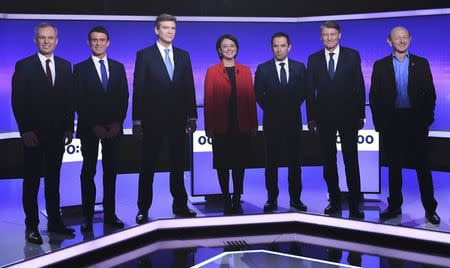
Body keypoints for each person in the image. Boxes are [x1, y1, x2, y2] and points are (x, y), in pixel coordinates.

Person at [11, 22, 75, 244]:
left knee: (53, 180)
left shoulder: (66, 66)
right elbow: (18, 101)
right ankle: (32, 227)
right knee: (31, 182)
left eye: (50, 38)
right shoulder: (24, 66)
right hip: (33, 135)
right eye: (42, 37)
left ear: (56, 41)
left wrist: (69, 127)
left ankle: (55, 222)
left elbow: (69, 100)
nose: (46, 41)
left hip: (58, 134)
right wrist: (25, 130)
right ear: (35, 40)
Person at [369, 26, 440, 224]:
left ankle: (430, 209)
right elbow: (374, 97)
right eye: (397, 38)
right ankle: (394, 207)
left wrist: (427, 120)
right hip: (392, 123)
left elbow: (430, 94)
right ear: (389, 41)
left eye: (405, 37)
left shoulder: (422, 63)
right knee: (394, 167)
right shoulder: (380, 65)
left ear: (410, 39)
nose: (402, 41)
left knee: (423, 167)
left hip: (416, 122)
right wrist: (380, 124)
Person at [132, 14, 198, 224]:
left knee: (178, 165)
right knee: (148, 166)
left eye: (173, 28)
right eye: (166, 28)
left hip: (178, 121)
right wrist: (137, 121)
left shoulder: (183, 55)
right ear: (156, 30)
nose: (170, 31)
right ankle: (143, 208)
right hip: (152, 121)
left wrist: (192, 115)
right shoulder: (144, 55)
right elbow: (139, 90)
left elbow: (189, 87)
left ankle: (180, 204)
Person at [306, 21, 365, 218]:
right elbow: (309, 92)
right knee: (328, 161)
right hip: (324, 119)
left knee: (351, 159)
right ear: (321, 37)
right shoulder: (313, 59)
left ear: (340, 35)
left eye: (333, 34)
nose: (329, 38)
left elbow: (359, 86)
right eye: (325, 34)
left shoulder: (352, 55)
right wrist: (311, 118)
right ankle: (335, 201)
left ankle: (355, 203)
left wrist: (361, 114)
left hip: (349, 117)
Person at [74, 26, 129, 232]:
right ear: (89, 43)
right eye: (94, 40)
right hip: (90, 129)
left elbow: (123, 97)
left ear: (108, 42)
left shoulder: (118, 67)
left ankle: (109, 214)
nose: (98, 43)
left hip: (114, 128)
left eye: (102, 39)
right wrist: (93, 125)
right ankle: (87, 217)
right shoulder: (79, 68)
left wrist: (117, 123)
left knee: (111, 173)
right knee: (88, 172)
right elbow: (78, 100)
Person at [204, 34, 257, 214]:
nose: (228, 49)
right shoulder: (212, 71)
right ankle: (226, 197)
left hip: (241, 125)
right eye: (224, 46)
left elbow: (251, 98)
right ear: (219, 50)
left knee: (239, 164)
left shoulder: (246, 70)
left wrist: (254, 124)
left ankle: (236, 197)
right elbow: (208, 100)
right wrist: (209, 127)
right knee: (223, 164)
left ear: (237, 49)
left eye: (232, 45)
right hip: (221, 126)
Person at [254, 32, 307, 213]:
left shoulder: (300, 68)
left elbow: (303, 92)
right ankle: (271, 199)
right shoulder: (263, 68)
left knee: (295, 163)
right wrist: (274, 109)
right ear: (272, 48)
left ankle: (296, 199)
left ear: (289, 47)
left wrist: (289, 107)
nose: (279, 49)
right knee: (271, 163)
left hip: (293, 120)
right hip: (272, 121)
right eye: (275, 46)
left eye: (282, 45)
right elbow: (259, 94)